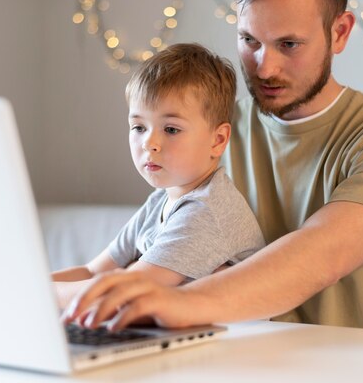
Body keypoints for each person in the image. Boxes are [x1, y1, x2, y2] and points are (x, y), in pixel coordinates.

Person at [62, 0, 363, 331]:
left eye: (288, 44)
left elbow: (318, 256)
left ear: (339, 32)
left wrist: (177, 302)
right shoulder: (203, 132)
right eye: (249, 40)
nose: (264, 67)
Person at [53, 43, 266, 311]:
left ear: (218, 140)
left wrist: (32, 295)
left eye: (171, 129)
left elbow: (123, 292)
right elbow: (92, 272)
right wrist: (26, 284)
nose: (149, 143)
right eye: (139, 127)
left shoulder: (207, 210)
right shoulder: (158, 203)